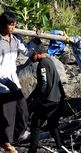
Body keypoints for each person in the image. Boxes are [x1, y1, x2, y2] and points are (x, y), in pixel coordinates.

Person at [0, 11, 40, 153]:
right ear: (3, 26)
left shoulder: (16, 39)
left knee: (23, 111)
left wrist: (36, 39)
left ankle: (14, 137)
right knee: (8, 116)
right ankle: (6, 142)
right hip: (2, 83)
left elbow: (27, 51)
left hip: (13, 80)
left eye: (14, 24)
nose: (14, 27)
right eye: (11, 25)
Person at [27, 46, 66, 153]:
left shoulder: (42, 64)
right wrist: (31, 97)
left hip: (48, 101)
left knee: (35, 125)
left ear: (36, 53)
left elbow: (43, 85)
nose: (30, 57)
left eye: (31, 54)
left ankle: (32, 151)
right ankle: (60, 147)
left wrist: (37, 101)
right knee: (53, 125)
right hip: (57, 99)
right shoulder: (50, 61)